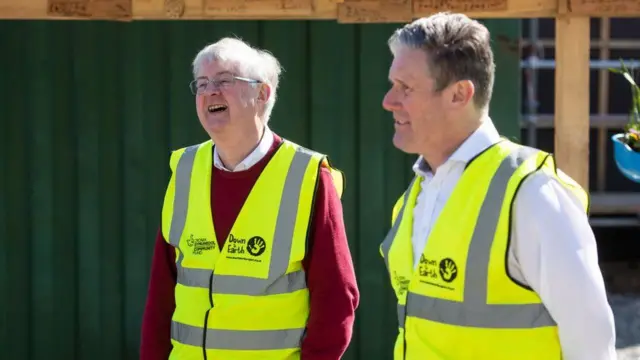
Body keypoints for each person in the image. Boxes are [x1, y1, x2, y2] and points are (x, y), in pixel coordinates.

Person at [379, 12, 617, 360]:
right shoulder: (413, 199)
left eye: (406, 88)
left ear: (459, 94)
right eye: (392, 84)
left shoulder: (532, 193)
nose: (388, 100)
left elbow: (592, 342)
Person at [140, 37, 360, 360]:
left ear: (262, 94)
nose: (210, 92)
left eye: (224, 81)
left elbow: (337, 301)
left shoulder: (308, 176)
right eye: (201, 84)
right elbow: (161, 294)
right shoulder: (184, 170)